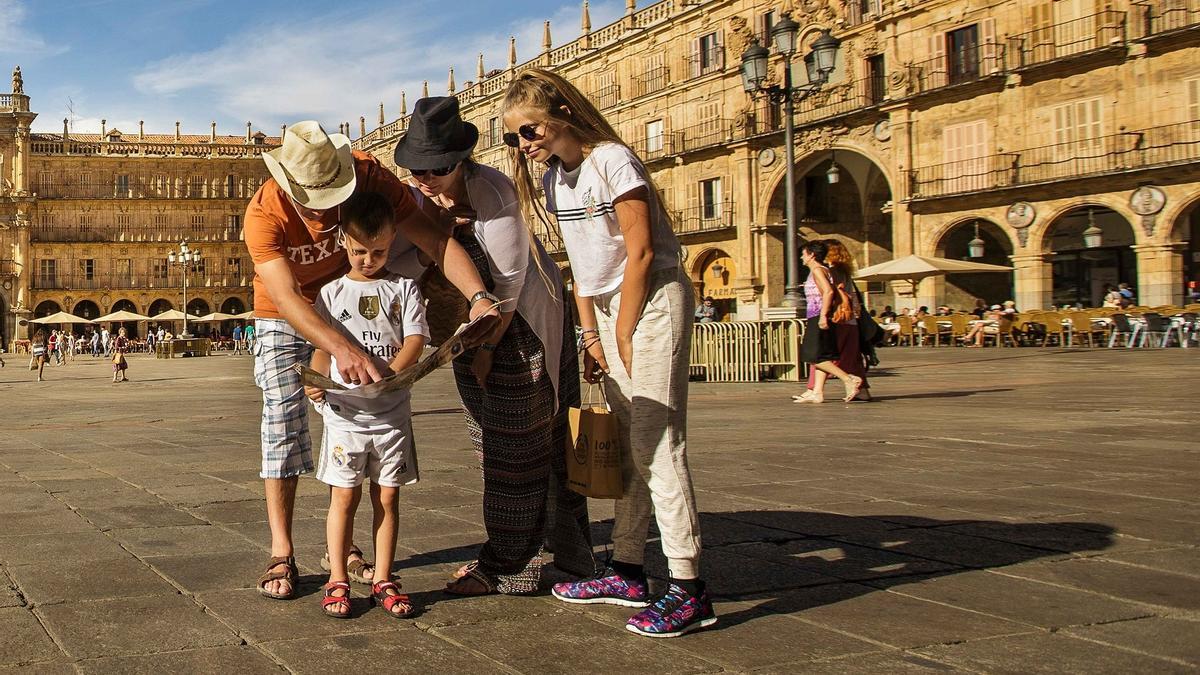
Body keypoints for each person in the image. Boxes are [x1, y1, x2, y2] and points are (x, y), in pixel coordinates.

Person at [244, 120, 498, 601]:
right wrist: (342, 348)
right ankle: (282, 550)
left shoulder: (369, 175)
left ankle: (343, 548)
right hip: (282, 311)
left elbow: (435, 241)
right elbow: (287, 296)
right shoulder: (263, 212)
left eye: (329, 194)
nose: (322, 211)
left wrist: (479, 297)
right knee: (282, 418)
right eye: (310, 198)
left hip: (348, 298)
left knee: (352, 423)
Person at [503, 69, 715, 638]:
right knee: (626, 443)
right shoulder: (554, 183)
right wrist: (590, 335)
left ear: (561, 116)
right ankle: (625, 568)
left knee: (657, 442)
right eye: (514, 138)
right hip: (610, 313)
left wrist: (621, 330)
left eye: (529, 131)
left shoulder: (613, 160)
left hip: (654, 300)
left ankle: (690, 589)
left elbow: (642, 252)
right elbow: (582, 273)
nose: (524, 146)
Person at [393, 96, 596, 596]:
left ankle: (510, 565)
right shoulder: (419, 198)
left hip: (521, 327)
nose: (426, 177)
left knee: (518, 448)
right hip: (467, 333)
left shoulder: (492, 189)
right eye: (418, 168)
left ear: (461, 160)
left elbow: (506, 285)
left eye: (437, 167)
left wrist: (486, 352)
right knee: (497, 444)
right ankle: (563, 553)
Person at [303, 191, 428, 619]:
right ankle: (338, 576)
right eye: (359, 251)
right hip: (344, 414)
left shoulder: (404, 288)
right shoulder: (331, 292)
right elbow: (322, 344)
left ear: (393, 240)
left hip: (391, 415)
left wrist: (393, 371)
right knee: (343, 498)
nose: (367, 260)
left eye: (377, 251)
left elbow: (415, 339)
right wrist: (316, 381)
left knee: (388, 499)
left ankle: (384, 577)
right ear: (343, 242)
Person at [794, 240, 868, 403]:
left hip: (820, 315)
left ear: (812, 255)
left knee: (812, 355)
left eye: (803, 253)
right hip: (832, 317)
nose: (801, 257)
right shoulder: (829, 270)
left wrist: (822, 315)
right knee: (822, 354)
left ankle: (848, 379)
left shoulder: (819, 270)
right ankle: (817, 392)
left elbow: (828, 291)